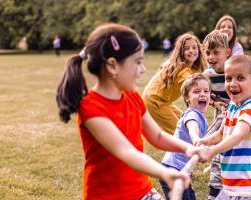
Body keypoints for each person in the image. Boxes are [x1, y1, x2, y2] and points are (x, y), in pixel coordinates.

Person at [56, 23, 204, 200]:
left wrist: (188, 148)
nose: (143, 69)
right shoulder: (91, 108)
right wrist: (164, 172)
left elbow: (157, 136)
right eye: (138, 62)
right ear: (112, 66)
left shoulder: (133, 97)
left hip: (142, 190)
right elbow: (126, 152)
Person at [197, 55, 251, 200]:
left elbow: (237, 136)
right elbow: (221, 133)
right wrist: (204, 141)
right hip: (231, 182)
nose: (232, 84)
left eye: (240, 78)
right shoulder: (233, 105)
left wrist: (212, 151)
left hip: (247, 185)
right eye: (228, 79)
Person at [159, 73, 211, 200]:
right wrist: (196, 139)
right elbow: (193, 129)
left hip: (182, 170)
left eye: (206, 91)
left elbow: (208, 135)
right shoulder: (192, 115)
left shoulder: (200, 116)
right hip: (173, 169)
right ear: (187, 98)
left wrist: (219, 121)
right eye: (197, 91)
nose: (202, 94)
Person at [143, 33, 207, 134]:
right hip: (155, 100)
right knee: (180, 132)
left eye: (194, 47)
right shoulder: (182, 69)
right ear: (181, 52)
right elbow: (196, 88)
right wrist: (212, 100)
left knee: (185, 122)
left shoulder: (193, 68)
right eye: (187, 48)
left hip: (165, 101)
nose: (191, 51)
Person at [202, 30, 233, 200]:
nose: (211, 57)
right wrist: (215, 103)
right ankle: (214, 194)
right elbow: (206, 96)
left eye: (216, 52)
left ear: (227, 53)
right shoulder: (208, 75)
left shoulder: (234, 72)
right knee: (217, 160)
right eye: (207, 53)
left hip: (237, 123)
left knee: (232, 157)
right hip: (220, 122)